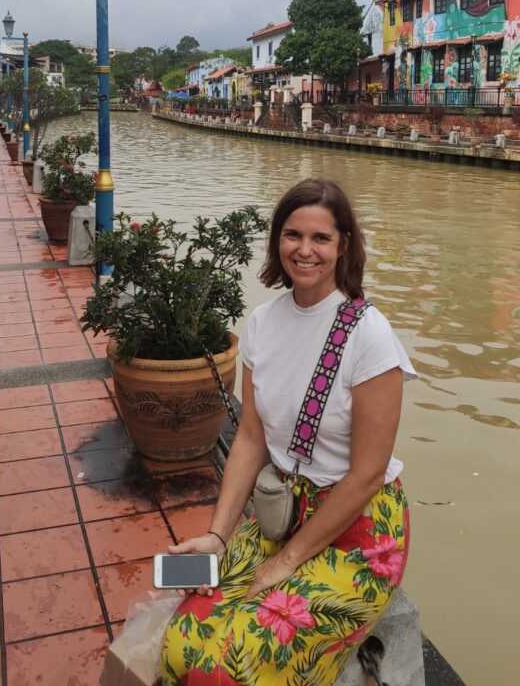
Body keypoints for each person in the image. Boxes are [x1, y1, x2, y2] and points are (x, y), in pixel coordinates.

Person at [161, 178, 416, 685]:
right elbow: (251, 438)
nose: (305, 250)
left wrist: (287, 562)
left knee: (232, 666)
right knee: (181, 642)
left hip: (357, 531)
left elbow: (367, 475)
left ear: (344, 245)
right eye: (293, 234)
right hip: (280, 515)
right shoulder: (263, 323)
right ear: (277, 239)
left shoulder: (368, 335)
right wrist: (218, 535)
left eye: (321, 238)